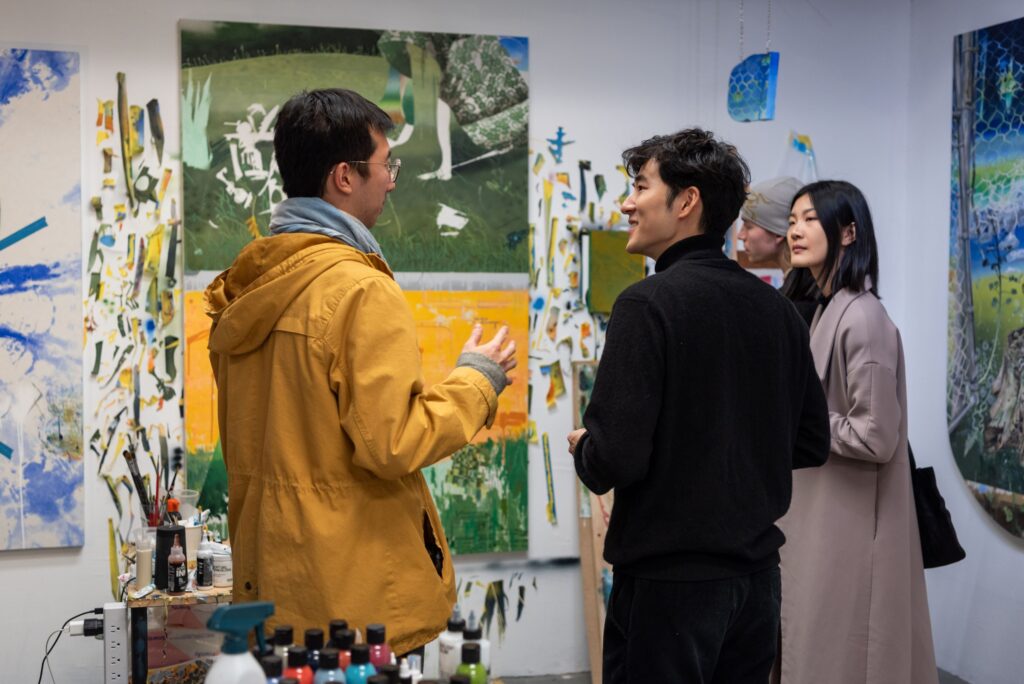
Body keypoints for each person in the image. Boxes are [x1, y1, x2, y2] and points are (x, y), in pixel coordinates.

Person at [204, 88, 516, 656]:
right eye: (385, 165)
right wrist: (479, 378)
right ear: (344, 177)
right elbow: (392, 442)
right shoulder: (361, 290)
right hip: (358, 604)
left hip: (276, 594)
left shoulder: (246, 288)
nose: (391, 180)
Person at [566, 129, 830, 683]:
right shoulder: (777, 309)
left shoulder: (646, 304)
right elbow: (810, 442)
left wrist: (587, 448)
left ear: (686, 202)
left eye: (640, 186)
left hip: (670, 587)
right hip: (757, 583)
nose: (628, 203)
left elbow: (616, 458)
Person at [777, 180, 937, 683]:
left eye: (809, 219)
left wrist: (799, 422)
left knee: (843, 655)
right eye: (792, 219)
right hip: (825, 511)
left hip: (849, 521)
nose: (795, 230)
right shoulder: (830, 307)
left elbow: (876, 436)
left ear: (848, 233)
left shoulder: (862, 318)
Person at [737, 176, 818, 324]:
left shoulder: (799, 306)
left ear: (778, 233)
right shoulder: (802, 291)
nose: (740, 235)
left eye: (748, 226)